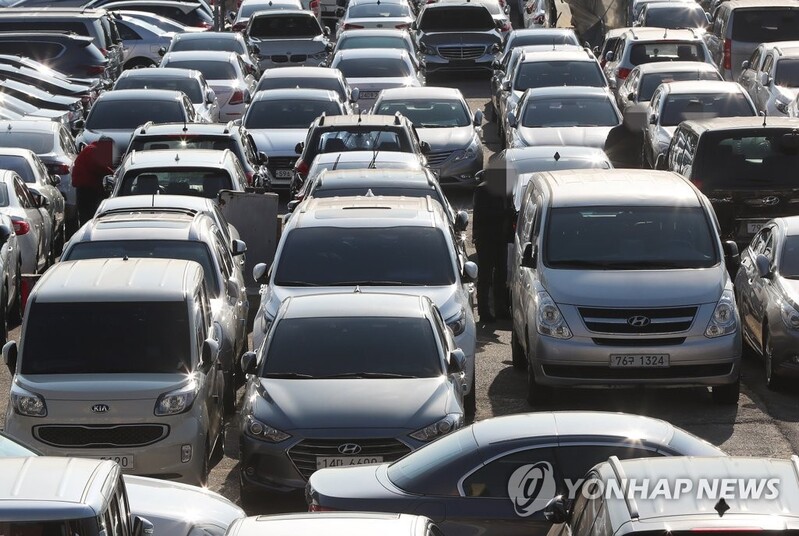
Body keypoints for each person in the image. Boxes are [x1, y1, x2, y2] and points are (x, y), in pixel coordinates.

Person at [472, 153, 512, 323]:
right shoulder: (483, 189)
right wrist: (505, 214)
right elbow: (483, 214)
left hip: (501, 239)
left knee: (501, 274)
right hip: (486, 238)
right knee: (486, 276)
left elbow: (509, 211)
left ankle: (501, 308)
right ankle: (484, 311)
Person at [71, 136, 114, 226]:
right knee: (89, 213)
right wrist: (113, 173)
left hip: (84, 186)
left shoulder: (91, 149)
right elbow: (99, 167)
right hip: (86, 187)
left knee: (85, 213)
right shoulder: (93, 151)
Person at [604, 103, 647, 168]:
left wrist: (640, 165)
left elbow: (641, 152)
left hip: (634, 167)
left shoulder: (639, 132)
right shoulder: (615, 132)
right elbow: (607, 150)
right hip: (617, 166)